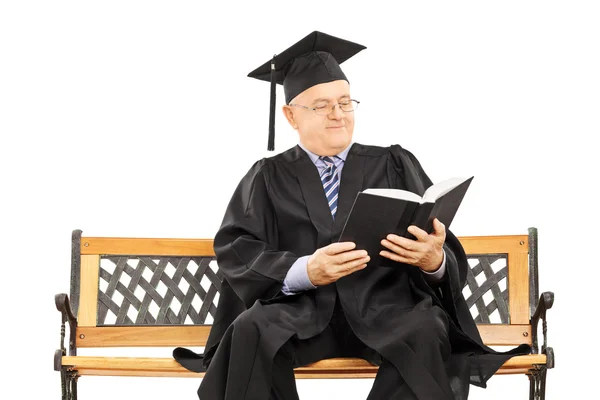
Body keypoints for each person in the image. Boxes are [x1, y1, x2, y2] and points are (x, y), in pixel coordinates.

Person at [174, 31, 530, 400]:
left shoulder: (393, 163)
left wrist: (434, 260)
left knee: (427, 327)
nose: (337, 114)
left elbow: (438, 238)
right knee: (253, 329)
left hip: (385, 309)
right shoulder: (267, 176)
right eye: (322, 105)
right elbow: (238, 247)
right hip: (301, 311)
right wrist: (304, 271)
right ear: (290, 115)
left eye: (345, 102)